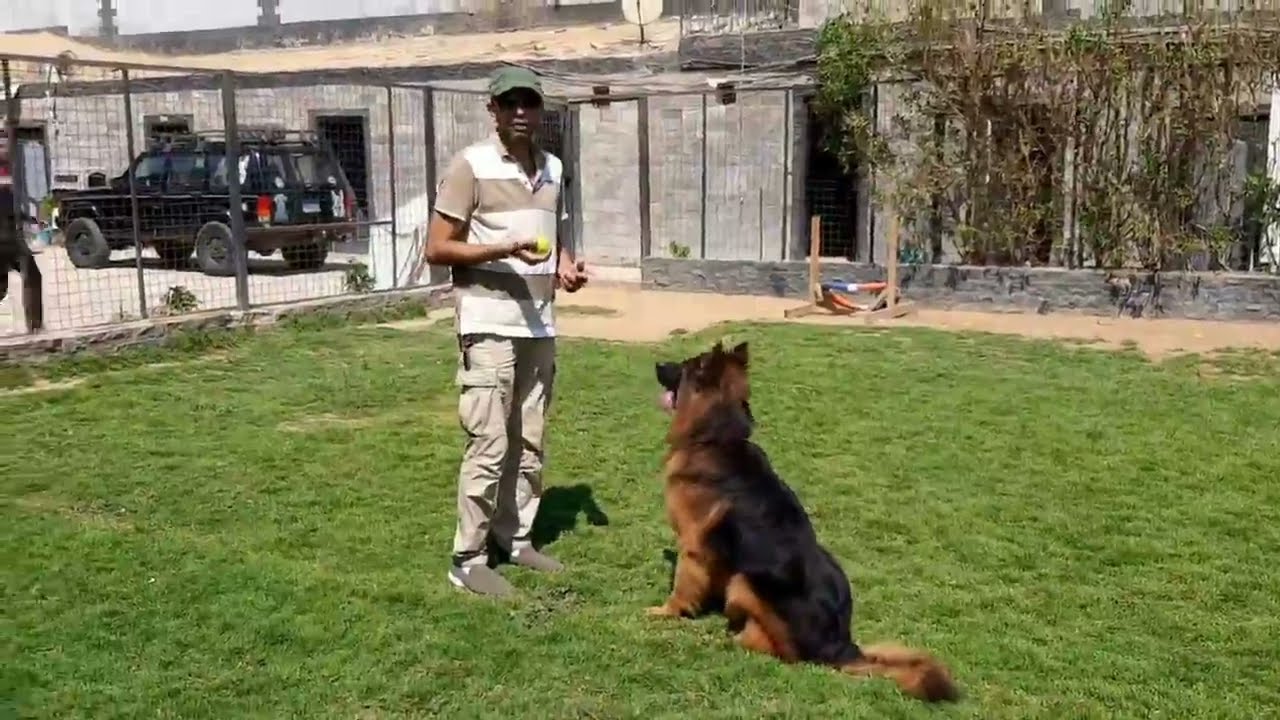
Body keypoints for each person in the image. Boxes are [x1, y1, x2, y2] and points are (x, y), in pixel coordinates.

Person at [424, 66, 588, 597]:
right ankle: (466, 558)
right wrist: (501, 250)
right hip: (487, 322)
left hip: (539, 325)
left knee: (530, 440)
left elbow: (550, 233)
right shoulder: (469, 166)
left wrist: (564, 264)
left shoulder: (554, 169)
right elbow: (437, 247)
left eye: (530, 102)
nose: (521, 111)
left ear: (540, 109)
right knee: (489, 443)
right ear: (492, 108)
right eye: (509, 102)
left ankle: (515, 540)